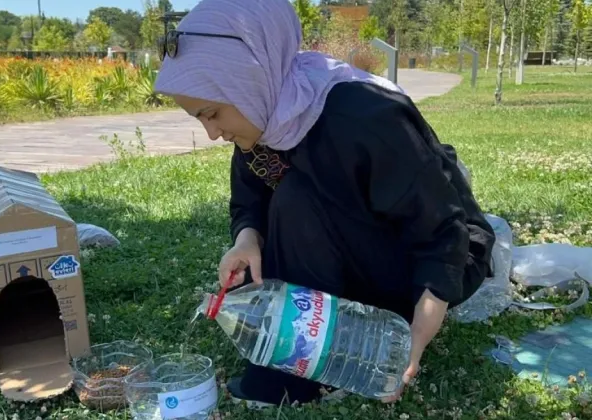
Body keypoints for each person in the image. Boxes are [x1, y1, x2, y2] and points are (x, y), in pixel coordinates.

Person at [154, 0, 496, 409]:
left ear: (247, 78)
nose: (212, 133)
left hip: (432, 255)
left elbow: (441, 230)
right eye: (200, 119)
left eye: (213, 114)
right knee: (278, 231)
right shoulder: (267, 113)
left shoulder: (363, 116)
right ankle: (310, 339)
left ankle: (299, 372)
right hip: (361, 245)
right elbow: (249, 198)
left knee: (296, 200)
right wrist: (247, 238)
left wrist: (416, 334)